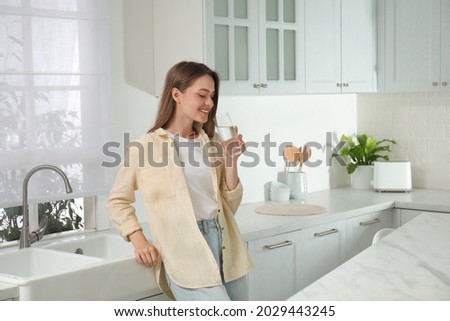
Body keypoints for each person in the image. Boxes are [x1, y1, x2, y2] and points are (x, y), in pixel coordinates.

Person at [107, 61, 253, 301]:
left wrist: (231, 161)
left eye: (213, 96)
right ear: (176, 94)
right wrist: (138, 239)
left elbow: (229, 207)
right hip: (185, 253)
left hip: (227, 246)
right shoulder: (145, 148)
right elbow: (117, 201)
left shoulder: (213, 141)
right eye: (202, 95)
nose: (210, 103)